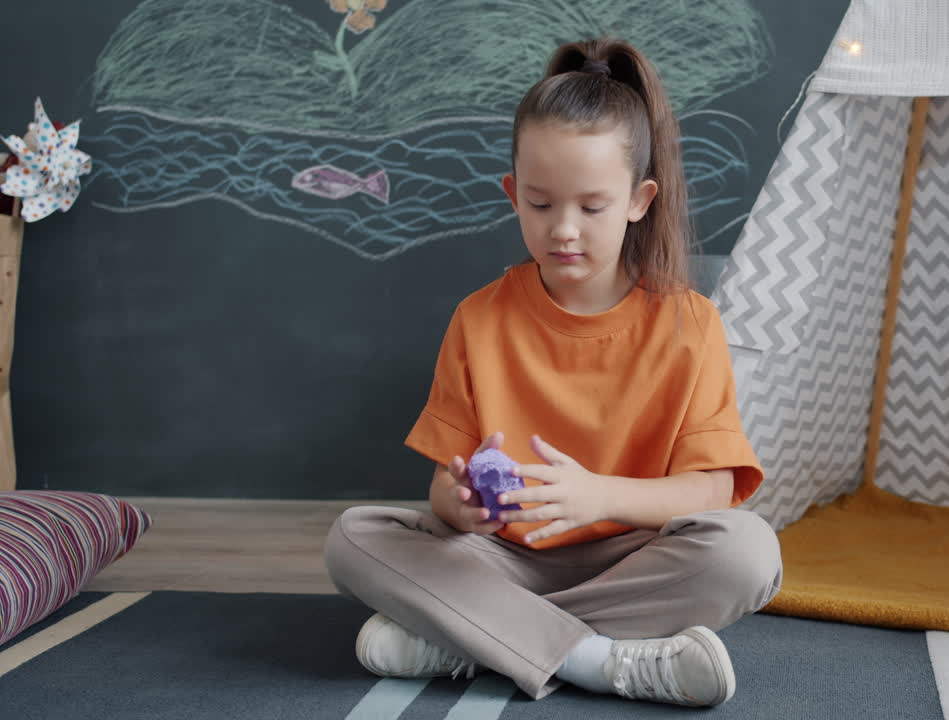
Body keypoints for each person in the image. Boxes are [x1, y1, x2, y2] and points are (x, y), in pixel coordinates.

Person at [324, 36, 782, 708]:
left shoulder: (691, 323)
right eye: (541, 205)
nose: (563, 229)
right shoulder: (479, 319)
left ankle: (470, 637)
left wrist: (599, 497)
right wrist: (463, 505)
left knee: (748, 554)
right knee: (351, 540)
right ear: (513, 194)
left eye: (591, 207)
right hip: (500, 560)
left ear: (639, 199)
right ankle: (598, 659)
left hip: (632, 559)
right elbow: (442, 496)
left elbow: (711, 492)